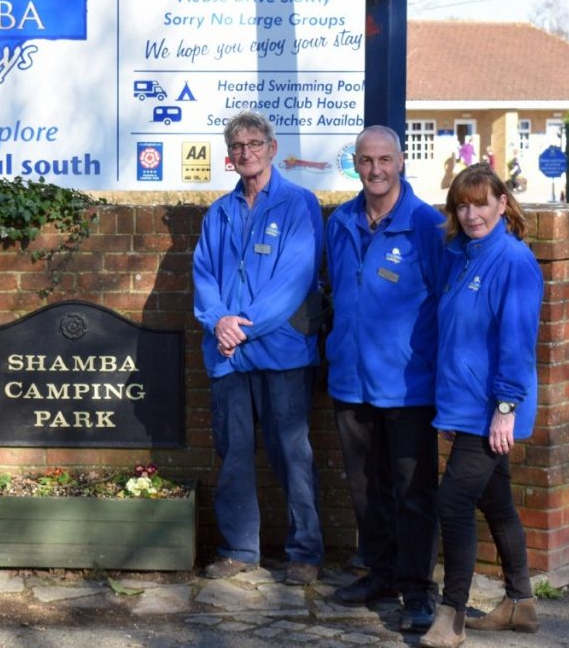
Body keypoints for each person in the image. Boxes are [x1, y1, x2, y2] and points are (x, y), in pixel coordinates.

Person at [193, 111, 325, 585]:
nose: (245, 152)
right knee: (234, 453)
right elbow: (204, 277)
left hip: (282, 353)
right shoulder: (219, 213)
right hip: (229, 357)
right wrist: (218, 322)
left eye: (254, 143)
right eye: (237, 146)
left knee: (292, 454)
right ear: (230, 156)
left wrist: (240, 326)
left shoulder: (300, 205)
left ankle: (305, 553)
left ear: (272, 147)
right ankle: (238, 549)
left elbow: (293, 282)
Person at [325, 125, 444, 631]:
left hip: (406, 383)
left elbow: (444, 303)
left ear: (400, 162)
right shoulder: (340, 221)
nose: (375, 170)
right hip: (351, 379)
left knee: (412, 491)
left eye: (384, 160)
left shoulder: (427, 225)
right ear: (355, 163)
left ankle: (417, 588)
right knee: (366, 488)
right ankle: (379, 571)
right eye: (366, 161)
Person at [420, 164, 543, 648]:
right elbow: (458, 339)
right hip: (466, 406)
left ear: (501, 203)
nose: (471, 214)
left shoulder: (513, 261)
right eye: (462, 205)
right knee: (496, 500)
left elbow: (517, 339)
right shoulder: (464, 256)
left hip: (492, 408)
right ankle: (521, 603)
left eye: (480, 203)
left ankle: (451, 617)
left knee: (452, 502)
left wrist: (506, 408)